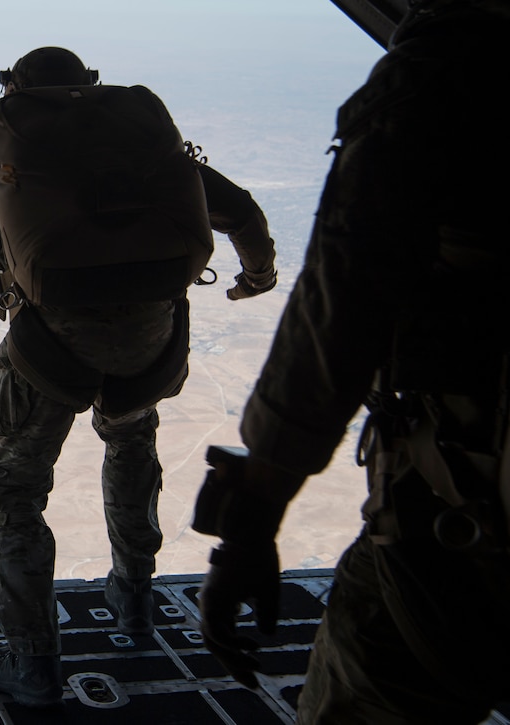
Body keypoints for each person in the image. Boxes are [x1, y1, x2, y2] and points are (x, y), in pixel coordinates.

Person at [0, 46, 278, 706]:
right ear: (89, 86)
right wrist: (256, 278)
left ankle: (30, 659)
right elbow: (240, 212)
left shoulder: (1, 148)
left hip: (49, 347)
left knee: (12, 491)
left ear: (15, 90)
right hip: (151, 344)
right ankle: (133, 601)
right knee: (132, 444)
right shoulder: (141, 143)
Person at [191, 1, 510, 722]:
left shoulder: (444, 72)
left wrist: (251, 522)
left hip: (462, 535)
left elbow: (342, 305)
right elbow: (244, 214)